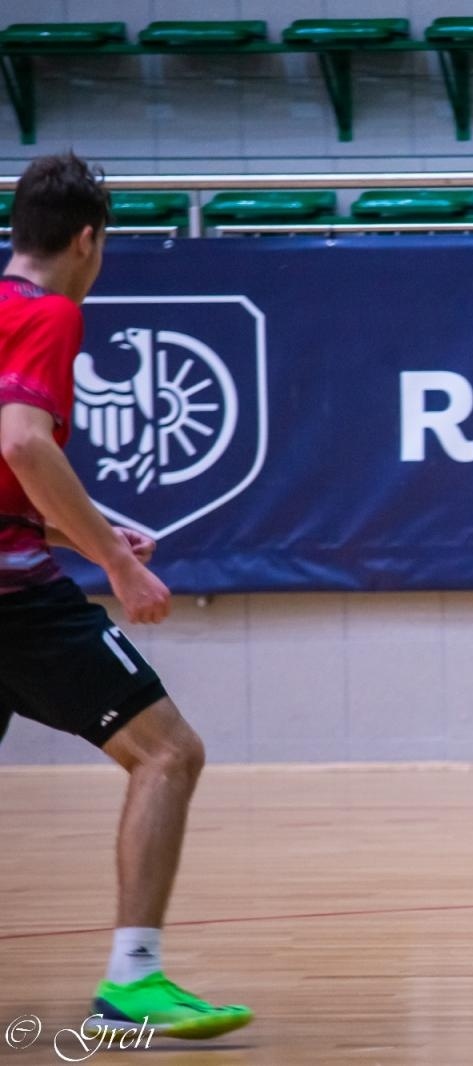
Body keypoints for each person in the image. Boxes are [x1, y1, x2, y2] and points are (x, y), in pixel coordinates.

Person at [0, 153, 252, 1040]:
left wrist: (84, 530)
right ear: (88, 240)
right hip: (11, 603)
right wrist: (115, 561)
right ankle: (132, 982)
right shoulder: (49, 313)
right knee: (169, 754)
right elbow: (26, 445)